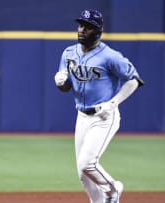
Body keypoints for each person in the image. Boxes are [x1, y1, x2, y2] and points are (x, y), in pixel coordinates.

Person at [54, 9, 144, 203]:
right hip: (82, 116)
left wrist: (114, 103)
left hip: (104, 117)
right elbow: (66, 87)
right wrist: (61, 82)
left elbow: (134, 80)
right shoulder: (68, 53)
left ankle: (113, 191)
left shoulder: (110, 56)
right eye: (80, 25)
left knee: (87, 164)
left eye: (87, 27)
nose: (81, 30)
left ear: (97, 31)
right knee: (83, 174)